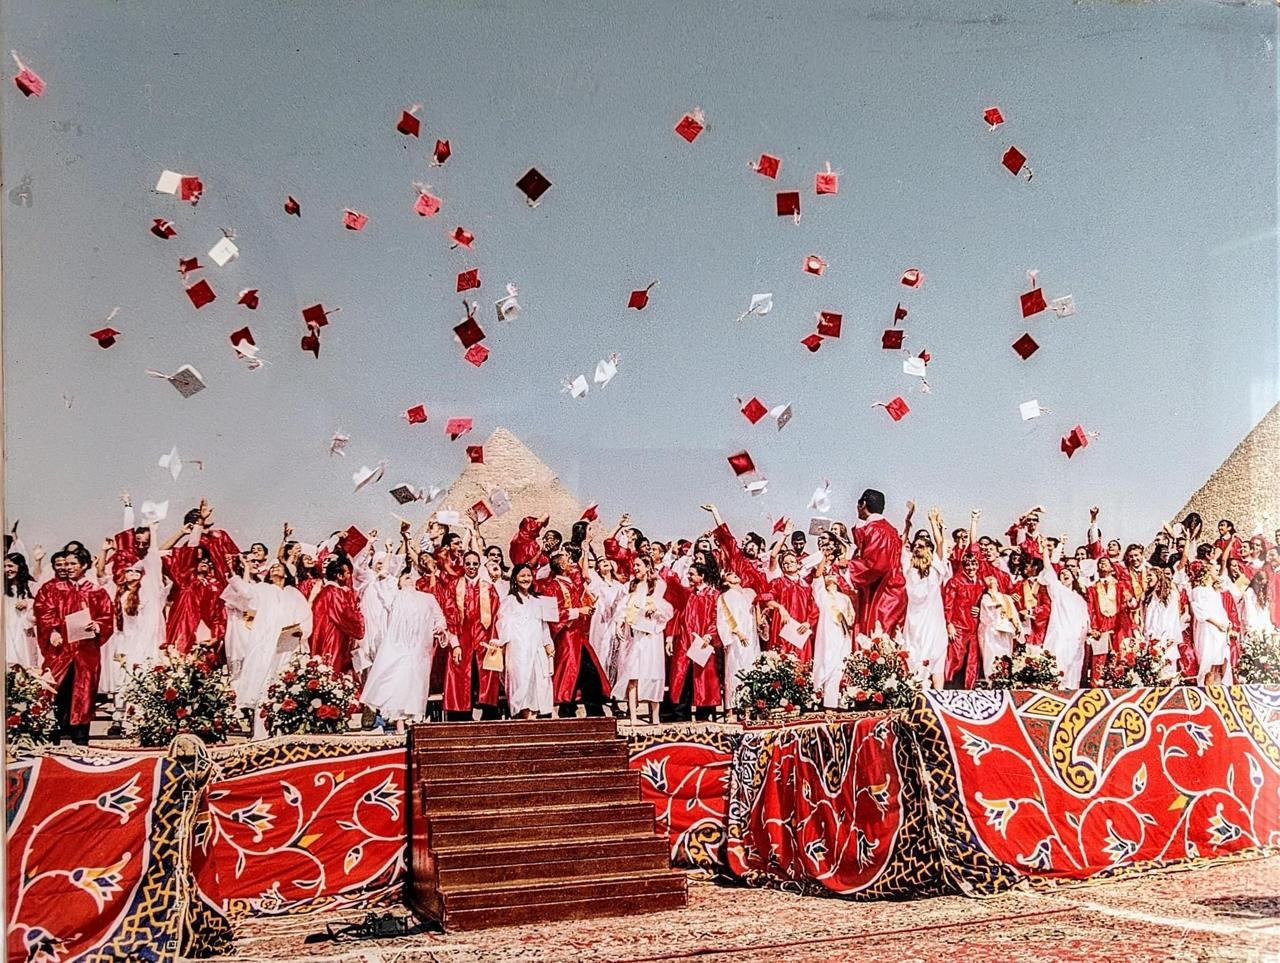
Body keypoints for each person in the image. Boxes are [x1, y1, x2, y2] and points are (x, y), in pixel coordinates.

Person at [33, 549, 114, 744]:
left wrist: (97, 625)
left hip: (86, 652)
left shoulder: (96, 591)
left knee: (84, 692)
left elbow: (107, 617)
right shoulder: (51, 589)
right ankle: (54, 732)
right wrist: (52, 631)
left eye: (72, 564)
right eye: (66, 564)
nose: (68, 568)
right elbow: (43, 611)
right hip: (60, 651)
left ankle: (80, 736)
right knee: (56, 690)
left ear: (84, 566)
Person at [363, 571, 448, 730]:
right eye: (406, 577)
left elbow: (440, 618)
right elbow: (383, 577)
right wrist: (388, 552)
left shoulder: (427, 598)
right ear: (399, 582)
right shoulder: (394, 596)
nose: (410, 580)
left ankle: (412, 726)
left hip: (419, 651)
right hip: (398, 648)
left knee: (415, 686)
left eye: (412, 577)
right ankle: (400, 727)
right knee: (398, 684)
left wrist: (439, 627)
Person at [236, 561, 313, 737]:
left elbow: (306, 615)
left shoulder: (293, 593)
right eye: (272, 568)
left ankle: (284, 730)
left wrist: (302, 630)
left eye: (278, 567)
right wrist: (246, 569)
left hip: (288, 644)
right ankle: (261, 732)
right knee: (264, 683)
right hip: (265, 644)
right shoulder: (263, 589)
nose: (274, 568)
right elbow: (246, 593)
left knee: (285, 683)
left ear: (286, 573)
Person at [541, 546, 608, 718]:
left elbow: (582, 577)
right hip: (567, 637)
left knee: (588, 672)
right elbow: (553, 614)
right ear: (562, 567)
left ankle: (593, 710)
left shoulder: (570, 583)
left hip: (578, 635)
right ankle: (569, 709)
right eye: (568, 560)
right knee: (573, 672)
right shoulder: (552, 587)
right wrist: (579, 611)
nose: (571, 563)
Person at [611, 555, 673, 724]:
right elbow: (623, 608)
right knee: (633, 674)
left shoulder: (658, 585)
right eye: (634, 565)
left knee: (653, 674)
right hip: (637, 637)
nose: (635, 568)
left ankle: (655, 718)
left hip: (652, 636)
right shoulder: (632, 587)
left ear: (647, 566)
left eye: (638, 565)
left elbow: (666, 609)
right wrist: (619, 623)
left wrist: (655, 609)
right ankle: (633, 718)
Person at [443, 550, 503, 720]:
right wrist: (454, 644)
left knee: (486, 674)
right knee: (461, 674)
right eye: (468, 563)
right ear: (463, 565)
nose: (471, 567)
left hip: (485, 637)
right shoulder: (454, 586)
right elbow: (449, 616)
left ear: (479, 565)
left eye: (475, 563)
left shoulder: (489, 588)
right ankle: (460, 715)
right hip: (462, 638)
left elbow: (497, 614)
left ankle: (489, 714)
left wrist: (494, 639)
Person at [494, 564, 555, 719]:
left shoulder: (538, 600)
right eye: (522, 576)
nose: (526, 579)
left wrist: (548, 643)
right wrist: (501, 642)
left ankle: (533, 718)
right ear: (515, 578)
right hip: (518, 648)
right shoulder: (509, 601)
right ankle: (523, 717)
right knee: (520, 681)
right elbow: (503, 624)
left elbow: (543, 625)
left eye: (528, 575)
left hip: (536, 647)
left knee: (537, 682)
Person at [899, 505, 949, 689]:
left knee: (935, 655)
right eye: (916, 545)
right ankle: (912, 694)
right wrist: (907, 522)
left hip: (933, 620)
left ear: (930, 549)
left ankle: (938, 697)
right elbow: (900, 544)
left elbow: (940, 543)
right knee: (913, 653)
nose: (919, 547)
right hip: (913, 621)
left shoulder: (936, 567)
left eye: (923, 545)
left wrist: (933, 522)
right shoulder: (908, 566)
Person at [846, 488, 907, 636]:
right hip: (892, 591)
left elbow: (876, 565)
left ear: (863, 504)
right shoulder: (890, 530)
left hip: (882, 595)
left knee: (877, 641)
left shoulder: (876, 530)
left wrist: (849, 566)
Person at [668, 559, 722, 721]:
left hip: (703, 642)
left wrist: (709, 634)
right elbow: (676, 615)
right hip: (685, 641)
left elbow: (717, 618)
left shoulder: (714, 595)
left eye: (692, 574)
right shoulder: (688, 595)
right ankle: (680, 716)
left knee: (704, 679)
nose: (689, 577)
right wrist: (670, 637)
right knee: (682, 678)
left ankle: (704, 716)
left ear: (702, 576)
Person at [1035, 536, 1089, 688]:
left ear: (1074, 578)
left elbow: (1085, 624)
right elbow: (1048, 569)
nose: (1064, 575)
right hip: (1059, 638)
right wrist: (1045, 549)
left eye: (1068, 574)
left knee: (1073, 676)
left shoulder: (1081, 600)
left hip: (1075, 641)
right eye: (1061, 574)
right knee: (1056, 674)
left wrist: (1081, 641)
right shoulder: (1058, 591)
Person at [309, 557, 366, 676]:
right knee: (332, 670)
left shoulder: (325, 591)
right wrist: (360, 617)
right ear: (339, 576)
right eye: (347, 573)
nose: (349, 576)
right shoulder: (335, 592)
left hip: (322, 635)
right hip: (333, 637)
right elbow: (346, 615)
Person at [811, 556, 855, 707]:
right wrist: (823, 557)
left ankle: (840, 703)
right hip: (827, 636)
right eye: (827, 574)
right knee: (826, 665)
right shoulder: (821, 595)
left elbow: (851, 618)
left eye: (832, 575)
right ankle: (824, 703)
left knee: (840, 666)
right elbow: (817, 576)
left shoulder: (845, 598)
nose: (829, 576)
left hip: (843, 636)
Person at [760, 548, 818, 661]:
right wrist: (780, 608)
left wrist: (808, 623)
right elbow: (767, 600)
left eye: (792, 562)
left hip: (801, 628)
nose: (789, 564)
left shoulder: (806, 586)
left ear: (798, 565)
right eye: (785, 563)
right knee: (781, 657)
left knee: (801, 661)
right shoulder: (777, 583)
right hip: (782, 627)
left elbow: (814, 608)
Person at [716, 569, 760, 717]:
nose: (735, 573)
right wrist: (737, 632)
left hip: (750, 635)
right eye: (730, 574)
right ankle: (730, 710)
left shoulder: (746, 595)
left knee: (749, 669)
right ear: (725, 581)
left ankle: (748, 708)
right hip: (735, 638)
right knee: (733, 670)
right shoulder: (725, 597)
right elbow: (724, 618)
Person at [943, 549, 984, 688]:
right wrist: (949, 624)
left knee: (971, 662)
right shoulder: (954, 582)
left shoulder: (981, 583)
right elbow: (947, 604)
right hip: (958, 626)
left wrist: (980, 609)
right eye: (967, 565)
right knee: (955, 659)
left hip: (974, 628)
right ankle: (949, 688)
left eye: (974, 564)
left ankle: (967, 691)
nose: (971, 568)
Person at [586, 556, 628, 691]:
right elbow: (585, 575)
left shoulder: (620, 586)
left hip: (615, 622)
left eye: (606, 560)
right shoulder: (597, 584)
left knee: (614, 655)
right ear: (598, 568)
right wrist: (586, 551)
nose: (604, 562)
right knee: (601, 653)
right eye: (601, 562)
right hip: (601, 622)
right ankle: (601, 688)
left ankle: (613, 689)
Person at [1190, 561, 1232, 685]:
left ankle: (1218, 686)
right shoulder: (1198, 590)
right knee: (1209, 659)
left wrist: (1227, 623)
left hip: (1220, 629)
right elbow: (1201, 611)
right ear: (1207, 572)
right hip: (1208, 628)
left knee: (1219, 660)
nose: (1217, 573)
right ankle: (1206, 686)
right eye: (1215, 570)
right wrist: (1216, 623)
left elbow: (1220, 609)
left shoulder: (1215, 591)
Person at [977, 574, 1021, 679]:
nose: (990, 579)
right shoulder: (986, 597)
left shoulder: (1006, 597)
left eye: (993, 578)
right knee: (992, 657)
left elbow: (1014, 614)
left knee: (1005, 656)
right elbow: (986, 613)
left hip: (1006, 631)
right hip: (992, 631)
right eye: (987, 578)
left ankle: (1005, 679)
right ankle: (992, 680)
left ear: (998, 582)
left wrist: (1017, 625)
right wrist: (998, 607)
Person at [4, 552, 39, 670]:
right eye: (4, 566)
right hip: (7, 631)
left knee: (26, 664)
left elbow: (41, 605)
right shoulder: (2, 587)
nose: (7, 569)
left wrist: (29, 602)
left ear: (19, 566)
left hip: (24, 632)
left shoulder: (31, 586)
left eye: (10, 566)